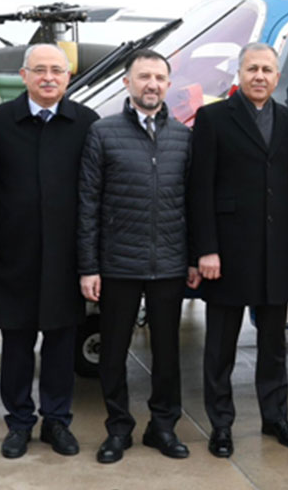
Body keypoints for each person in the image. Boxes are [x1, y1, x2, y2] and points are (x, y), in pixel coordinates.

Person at [78, 49, 196, 464]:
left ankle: (162, 427)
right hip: (117, 265)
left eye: (160, 78)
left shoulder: (183, 136)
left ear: (168, 84)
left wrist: (193, 258)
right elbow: (88, 204)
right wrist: (88, 266)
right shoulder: (103, 133)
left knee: (167, 353)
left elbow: (192, 204)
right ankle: (118, 428)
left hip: (168, 263)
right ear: (127, 82)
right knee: (113, 352)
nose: (152, 84)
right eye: (144, 76)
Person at [188, 42, 288, 459]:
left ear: (277, 77)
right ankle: (221, 424)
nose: (259, 76)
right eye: (252, 68)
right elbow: (199, 188)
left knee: (274, 345)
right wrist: (205, 250)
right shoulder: (213, 118)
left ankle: (276, 418)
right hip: (227, 252)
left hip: (275, 251)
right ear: (238, 75)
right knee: (221, 346)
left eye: (267, 70)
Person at [0, 44, 98, 460]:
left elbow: (95, 193)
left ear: (68, 78)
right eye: (40, 70)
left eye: (57, 71)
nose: (49, 77)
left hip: (67, 258)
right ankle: (18, 422)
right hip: (12, 256)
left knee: (61, 343)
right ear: (24, 74)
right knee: (16, 344)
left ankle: (56, 421)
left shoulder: (86, 122)